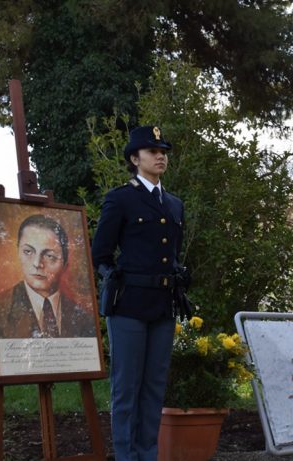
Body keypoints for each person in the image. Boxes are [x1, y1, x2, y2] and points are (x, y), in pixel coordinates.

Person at [91, 125, 185, 461]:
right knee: (126, 389)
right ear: (135, 158)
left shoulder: (174, 205)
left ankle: (149, 454)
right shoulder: (121, 198)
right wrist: (113, 278)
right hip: (128, 305)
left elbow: (172, 255)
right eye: (152, 151)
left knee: (154, 388)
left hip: (162, 306)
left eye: (163, 152)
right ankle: (126, 456)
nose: (160, 156)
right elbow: (99, 254)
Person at [0, 214, 96, 338]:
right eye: (28, 251)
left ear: (65, 264)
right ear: (18, 253)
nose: (37, 264)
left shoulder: (85, 318)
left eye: (49, 256)